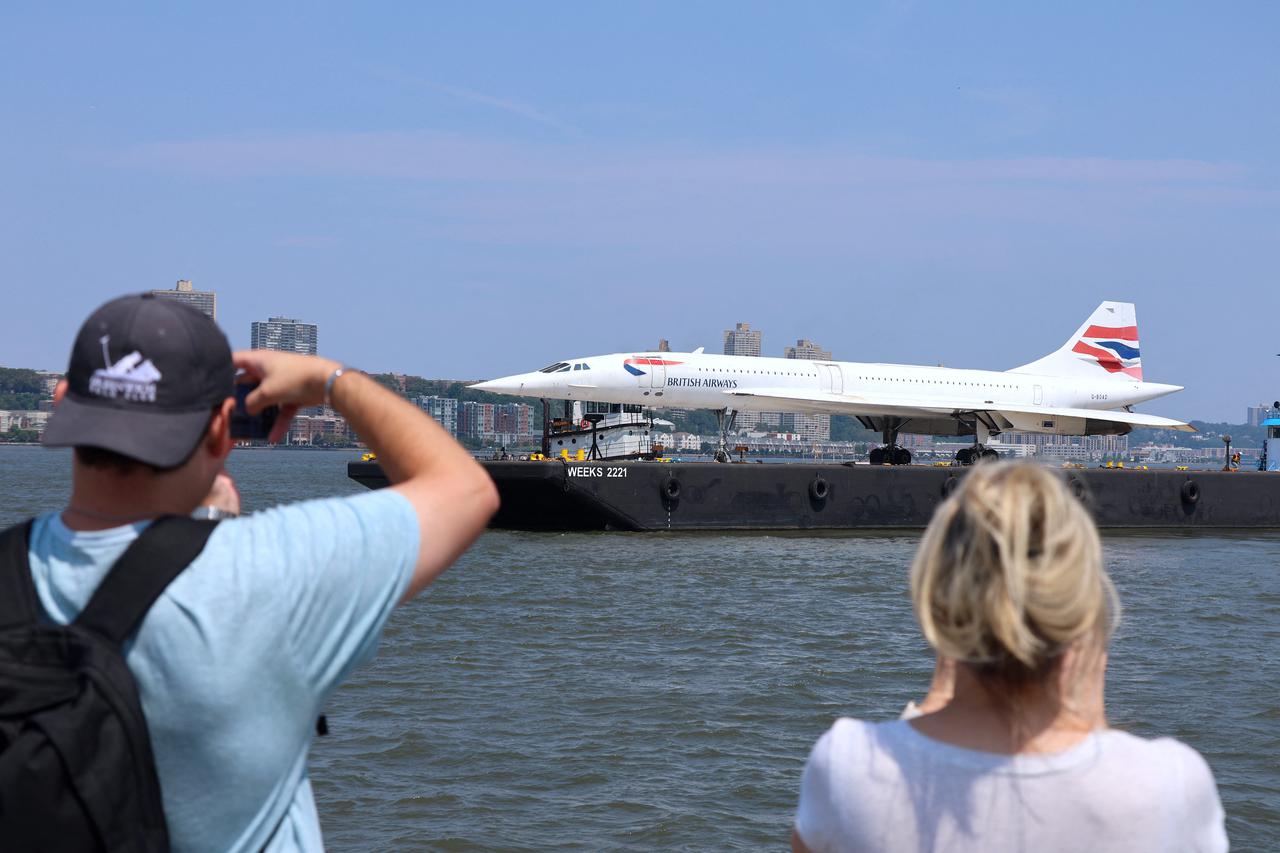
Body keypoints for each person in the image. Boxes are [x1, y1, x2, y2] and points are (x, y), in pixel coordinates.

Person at [23, 293, 498, 851]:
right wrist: (330, 380)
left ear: (62, 402)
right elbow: (465, 491)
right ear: (221, 429)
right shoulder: (273, 569)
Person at [792, 462, 1226, 853]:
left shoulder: (849, 767)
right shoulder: (1170, 785)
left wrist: (927, 709)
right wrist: (1092, 718)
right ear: (1082, 610)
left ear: (937, 602)